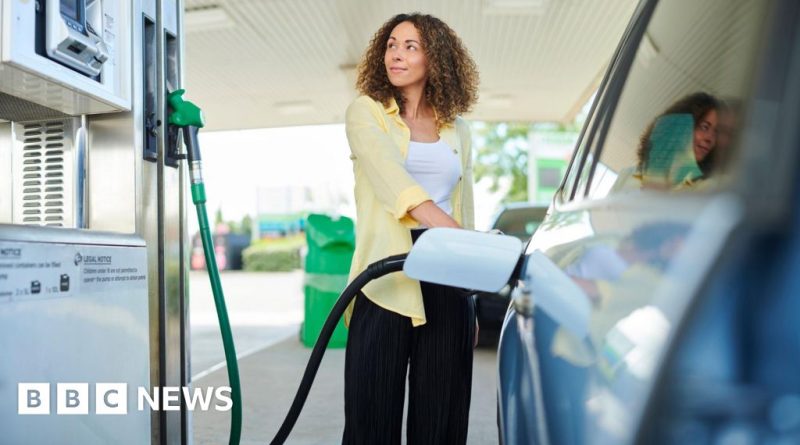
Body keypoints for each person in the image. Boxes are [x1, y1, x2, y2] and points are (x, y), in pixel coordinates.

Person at [341, 12, 479, 444]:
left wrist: (468, 291)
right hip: (385, 278)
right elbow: (394, 183)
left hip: (445, 277)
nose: (395, 54)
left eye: (410, 46)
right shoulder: (367, 113)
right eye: (391, 45)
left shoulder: (458, 130)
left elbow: (465, 204)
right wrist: (461, 237)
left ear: (434, 59)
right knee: (371, 418)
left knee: (441, 419)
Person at [636, 92, 720, 188]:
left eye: (716, 133)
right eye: (704, 127)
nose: (710, 138)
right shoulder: (628, 176)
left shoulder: (706, 188)